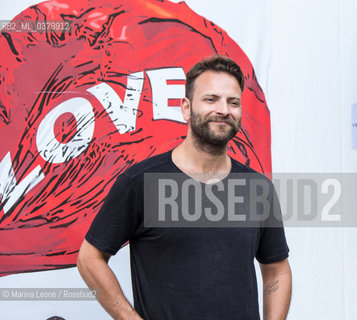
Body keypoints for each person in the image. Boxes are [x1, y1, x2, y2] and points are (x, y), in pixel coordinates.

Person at [77, 55, 292, 320]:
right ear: (186, 108)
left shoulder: (258, 188)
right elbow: (89, 258)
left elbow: (276, 270)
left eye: (232, 102)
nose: (223, 110)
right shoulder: (141, 182)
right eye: (211, 99)